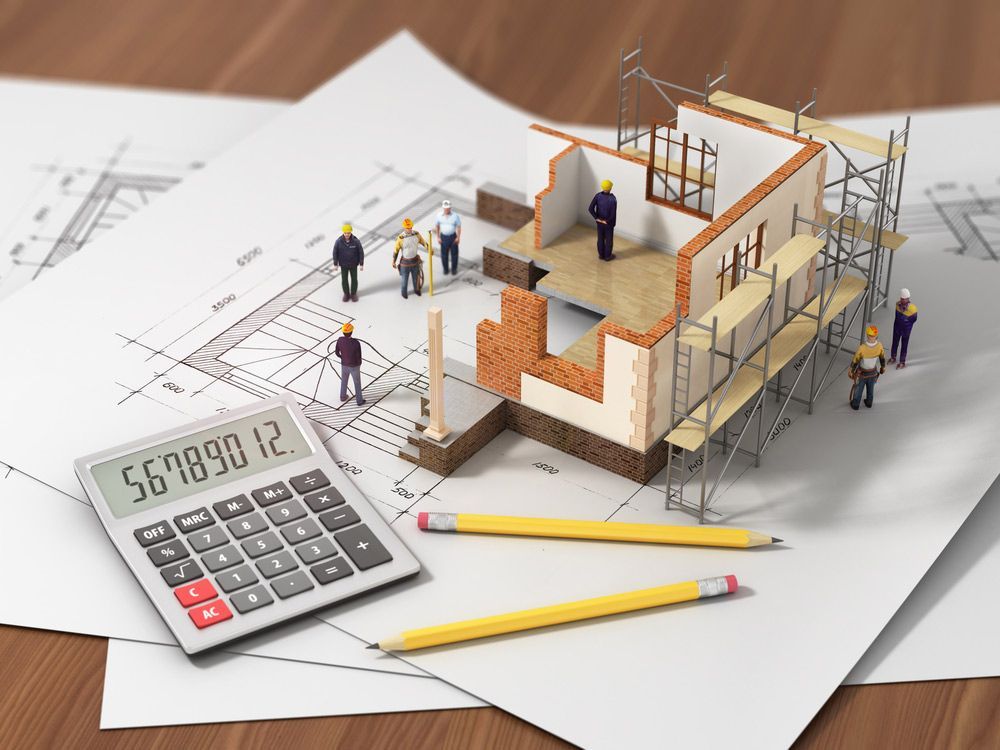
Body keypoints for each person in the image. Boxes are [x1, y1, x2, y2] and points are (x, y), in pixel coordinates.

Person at [849, 325, 886, 410]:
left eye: (871, 336)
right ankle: (869, 402)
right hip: (873, 373)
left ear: (866, 335)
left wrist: (851, 370)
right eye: (871, 336)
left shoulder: (862, 347)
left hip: (862, 373)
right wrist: (883, 367)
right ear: (877, 335)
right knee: (870, 389)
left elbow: (856, 360)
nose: (871, 337)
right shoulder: (879, 346)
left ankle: (855, 404)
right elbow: (882, 358)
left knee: (858, 389)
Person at [392, 217, 427, 298]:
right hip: (405, 264)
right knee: (404, 281)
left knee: (416, 279)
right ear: (404, 228)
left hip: (415, 261)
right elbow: (396, 250)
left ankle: (417, 290)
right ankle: (404, 293)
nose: (409, 229)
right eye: (407, 228)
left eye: (410, 227)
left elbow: (423, 242)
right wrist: (393, 261)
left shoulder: (417, 234)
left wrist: (429, 248)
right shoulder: (400, 238)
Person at [334, 322, 366, 406]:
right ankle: (359, 401)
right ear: (351, 332)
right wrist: (358, 364)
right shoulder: (356, 343)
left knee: (344, 380)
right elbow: (359, 356)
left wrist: (343, 358)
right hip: (354, 366)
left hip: (344, 364)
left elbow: (337, 352)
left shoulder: (340, 340)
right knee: (357, 383)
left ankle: (342, 396)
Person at [332, 224, 364, 302]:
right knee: (344, 280)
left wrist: (361, 264)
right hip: (343, 265)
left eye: (348, 233)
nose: (347, 234)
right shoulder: (338, 241)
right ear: (343, 232)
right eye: (345, 233)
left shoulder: (356, 241)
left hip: (353, 265)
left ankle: (353, 294)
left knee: (354, 280)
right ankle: (346, 294)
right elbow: (335, 252)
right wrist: (335, 264)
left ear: (351, 232)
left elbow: (361, 252)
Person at [588, 179, 617, 261]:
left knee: (600, 239)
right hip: (609, 224)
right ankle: (607, 256)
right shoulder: (613, 199)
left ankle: (601, 255)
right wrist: (607, 221)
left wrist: (597, 218)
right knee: (609, 240)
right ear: (610, 188)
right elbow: (613, 214)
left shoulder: (598, 196)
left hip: (599, 223)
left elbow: (590, 209)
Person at [889, 288, 918, 369]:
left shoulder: (913, 309)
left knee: (904, 345)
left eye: (904, 299)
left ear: (908, 298)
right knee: (894, 343)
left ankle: (902, 362)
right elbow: (896, 317)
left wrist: (906, 323)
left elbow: (914, 319)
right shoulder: (897, 305)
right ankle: (893, 357)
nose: (902, 300)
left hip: (906, 330)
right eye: (901, 298)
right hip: (897, 328)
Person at [434, 199, 462, 276]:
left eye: (448, 208)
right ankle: (445, 269)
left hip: (453, 237)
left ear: (450, 208)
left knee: (454, 255)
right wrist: (438, 237)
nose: (447, 210)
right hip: (443, 237)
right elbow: (437, 226)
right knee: (444, 255)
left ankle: (454, 269)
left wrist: (458, 237)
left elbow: (458, 227)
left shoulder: (455, 216)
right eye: (445, 208)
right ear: (443, 208)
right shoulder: (439, 216)